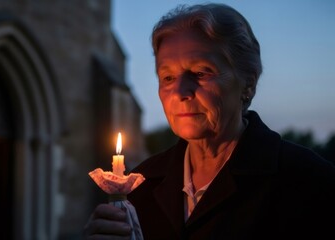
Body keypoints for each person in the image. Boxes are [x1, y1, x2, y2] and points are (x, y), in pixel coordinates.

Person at [84, 3, 335, 240]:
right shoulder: (143, 185)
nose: (181, 92)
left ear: (248, 82)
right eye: (168, 77)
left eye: (201, 73)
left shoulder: (308, 181)